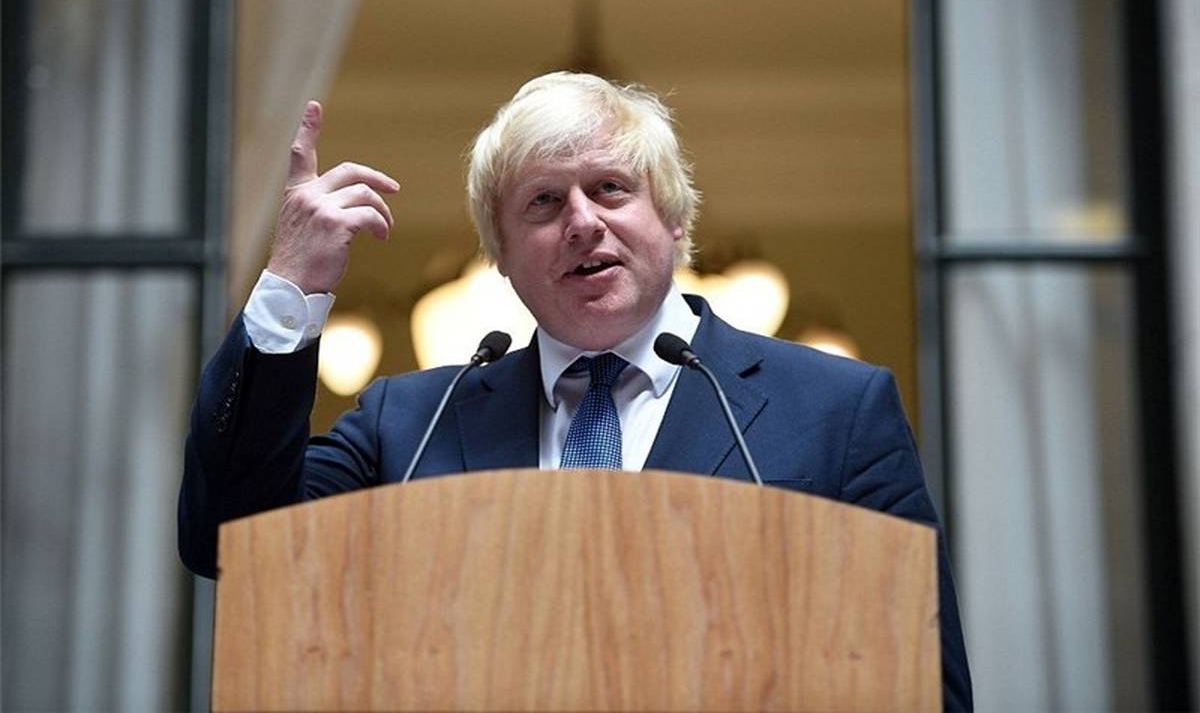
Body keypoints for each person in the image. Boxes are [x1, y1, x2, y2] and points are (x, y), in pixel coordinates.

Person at [178, 72, 972, 710]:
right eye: (544, 202)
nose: (583, 222)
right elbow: (231, 539)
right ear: (501, 256)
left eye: (612, 188)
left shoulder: (835, 410)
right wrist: (292, 284)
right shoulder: (410, 424)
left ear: (675, 221)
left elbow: (922, 684)